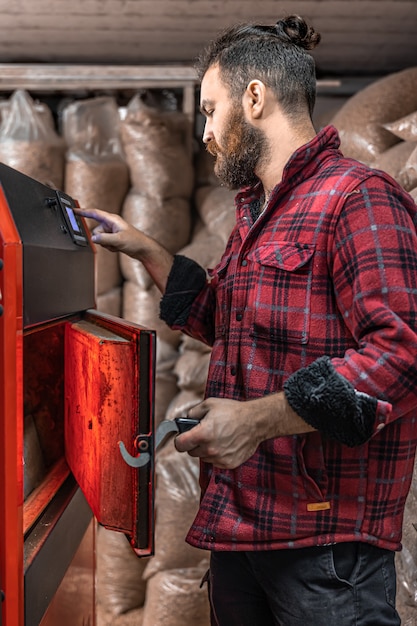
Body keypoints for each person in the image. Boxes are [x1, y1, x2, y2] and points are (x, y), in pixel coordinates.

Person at [75, 14, 417, 625]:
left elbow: (403, 354)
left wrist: (258, 420)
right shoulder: (260, 216)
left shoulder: (356, 197)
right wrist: (147, 249)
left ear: (254, 98)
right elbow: (229, 321)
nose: (206, 131)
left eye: (210, 110)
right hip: (245, 527)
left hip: (324, 547)